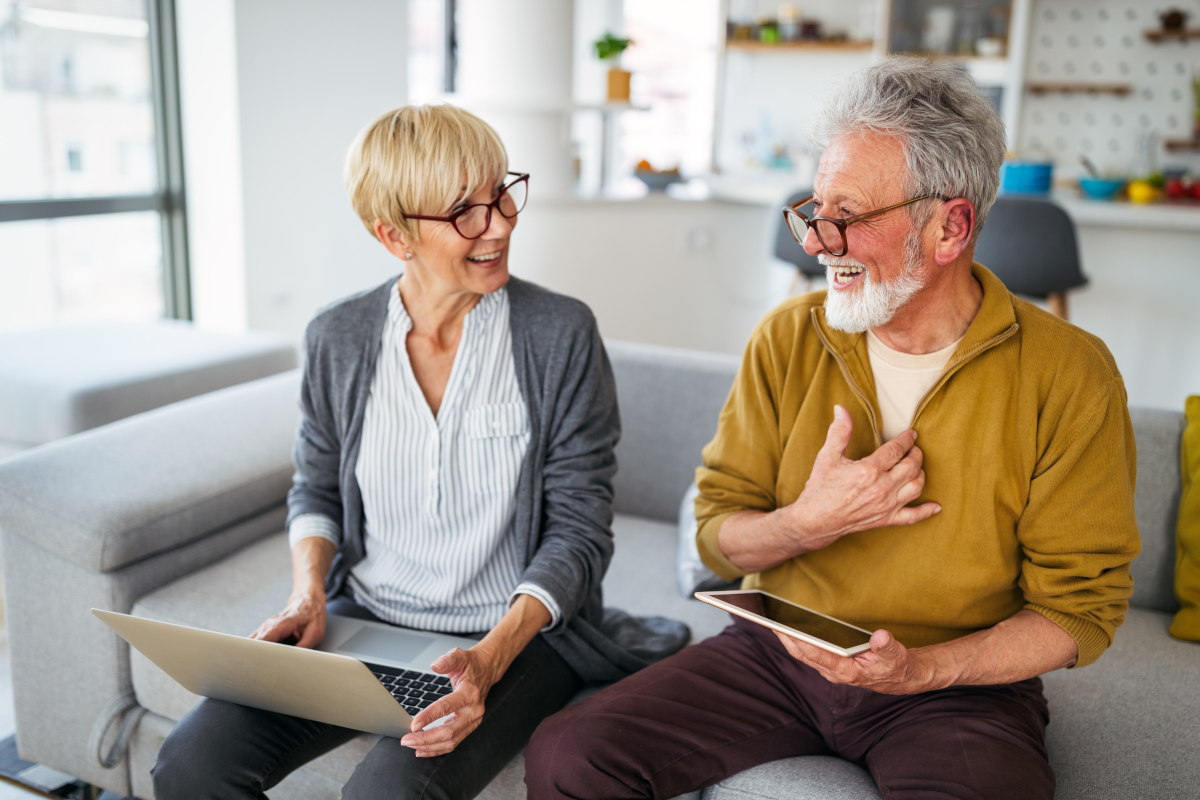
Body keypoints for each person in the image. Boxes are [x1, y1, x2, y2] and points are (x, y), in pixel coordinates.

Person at [524, 57, 1140, 800]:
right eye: (815, 210)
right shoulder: (787, 337)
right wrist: (805, 524)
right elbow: (716, 532)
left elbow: (1078, 610)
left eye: (846, 217)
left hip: (957, 684)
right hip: (776, 652)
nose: (816, 241)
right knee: (570, 754)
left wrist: (924, 670)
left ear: (950, 227)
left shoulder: (1071, 374)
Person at [151, 104, 687, 800]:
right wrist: (308, 591)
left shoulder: (560, 334)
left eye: (501, 193)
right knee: (191, 766)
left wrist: (488, 663)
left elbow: (581, 531)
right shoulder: (337, 337)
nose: (499, 223)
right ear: (392, 235)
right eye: (465, 210)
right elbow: (315, 486)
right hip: (367, 619)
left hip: (511, 637)